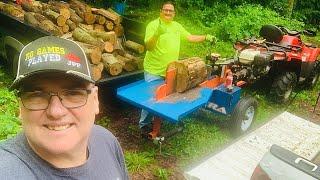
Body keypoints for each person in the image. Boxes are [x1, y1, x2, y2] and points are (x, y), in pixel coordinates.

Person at [0, 36, 129, 180]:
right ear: (20, 107)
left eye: (73, 93)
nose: (56, 112)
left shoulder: (106, 142)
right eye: (37, 96)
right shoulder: (6, 169)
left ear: (95, 100)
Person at [140, 1, 216, 135]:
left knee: (167, 95)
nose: (168, 12)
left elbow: (190, 37)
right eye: (166, 10)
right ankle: (144, 125)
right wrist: (157, 34)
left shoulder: (176, 26)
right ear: (161, 11)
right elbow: (149, 47)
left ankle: (158, 120)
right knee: (152, 98)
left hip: (171, 70)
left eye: (171, 11)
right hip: (154, 70)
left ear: (174, 13)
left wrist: (205, 37)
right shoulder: (153, 25)